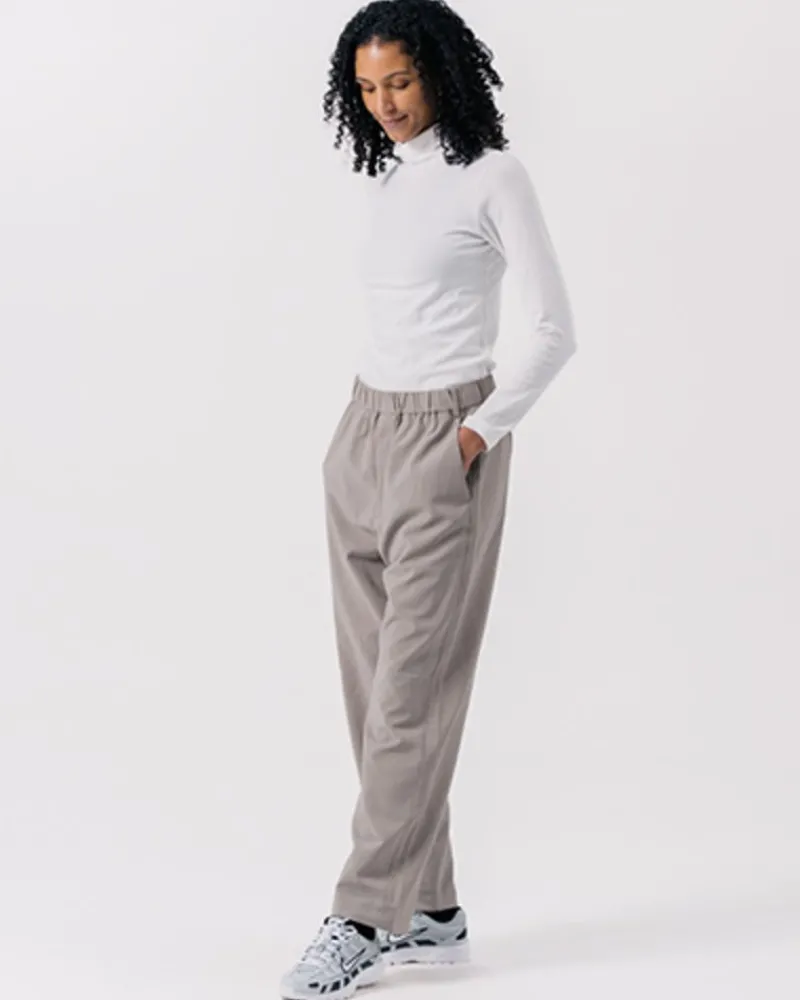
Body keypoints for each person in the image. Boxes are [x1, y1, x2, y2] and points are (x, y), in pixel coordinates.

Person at [280, 1, 576, 996]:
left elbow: (553, 329)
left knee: (409, 697)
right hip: (361, 433)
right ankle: (432, 910)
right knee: (375, 702)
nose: (385, 103)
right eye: (367, 89)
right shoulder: (384, 179)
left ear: (440, 72)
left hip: (446, 439)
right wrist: (353, 443)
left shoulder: (493, 177)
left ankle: (361, 913)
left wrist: (473, 436)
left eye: (399, 81)